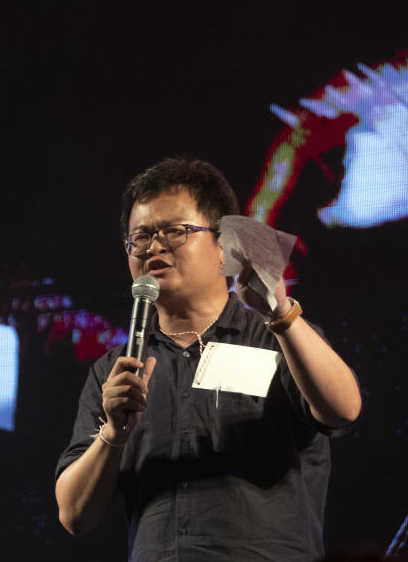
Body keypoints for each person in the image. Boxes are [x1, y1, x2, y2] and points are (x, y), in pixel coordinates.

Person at [55, 157, 363, 561]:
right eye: (140, 237)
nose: (154, 247)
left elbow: (344, 409)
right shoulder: (116, 371)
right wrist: (113, 433)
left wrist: (281, 314)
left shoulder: (275, 338)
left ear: (224, 247)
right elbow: (74, 514)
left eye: (176, 231)